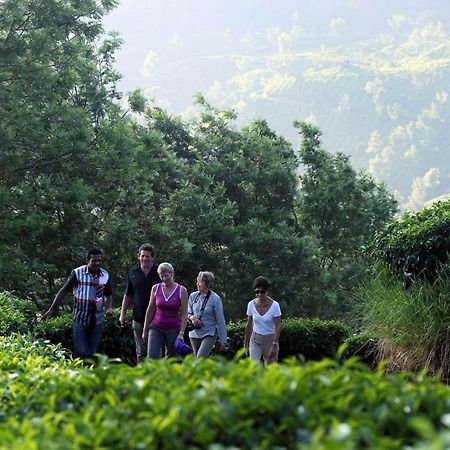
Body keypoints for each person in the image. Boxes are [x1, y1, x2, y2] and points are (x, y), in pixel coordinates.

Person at [42, 248, 114, 359]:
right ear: (87, 260)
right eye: (94, 261)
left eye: (99, 261)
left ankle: (90, 374)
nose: (97, 263)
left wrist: (109, 308)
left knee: (93, 354)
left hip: (97, 320)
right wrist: (52, 308)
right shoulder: (78, 273)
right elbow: (64, 290)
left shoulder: (104, 275)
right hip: (80, 318)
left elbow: (108, 294)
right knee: (80, 351)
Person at [119, 243, 161, 362]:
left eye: (147, 256)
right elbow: (128, 294)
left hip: (156, 318)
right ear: (138, 256)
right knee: (141, 351)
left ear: (152, 257)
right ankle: (142, 377)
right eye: (142, 256)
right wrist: (123, 314)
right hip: (138, 316)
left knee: (155, 351)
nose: (144, 258)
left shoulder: (159, 272)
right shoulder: (133, 272)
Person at [142, 262, 188, 358]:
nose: (164, 279)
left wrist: (181, 333)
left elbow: (184, 314)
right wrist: (145, 329)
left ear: (172, 274)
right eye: (161, 276)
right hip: (156, 326)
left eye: (166, 276)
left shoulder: (181, 290)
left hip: (173, 328)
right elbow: (150, 309)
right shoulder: (156, 288)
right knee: (152, 356)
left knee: (171, 358)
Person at [187, 271, 227, 358]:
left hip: (209, 332)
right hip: (194, 333)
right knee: (197, 361)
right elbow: (187, 311)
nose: (198, 283)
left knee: (200, 358)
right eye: (197, 281)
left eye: (200, 281)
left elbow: (220, 320)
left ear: (208, 283)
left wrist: (223, 340)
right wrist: (192, 318)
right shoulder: (193, 296)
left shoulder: (215, 299)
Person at [244, 276, 281, 366]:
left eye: (262, 292)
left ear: (267, 292)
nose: (259, 294)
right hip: (256, 338)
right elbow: (249, 324)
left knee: (270, 368)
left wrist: (274, 344)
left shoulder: (275, 306)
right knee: (254, 366)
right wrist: (246, 343)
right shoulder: (251, 304)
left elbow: (278, 326)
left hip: (270, 339)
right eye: (257, 292)